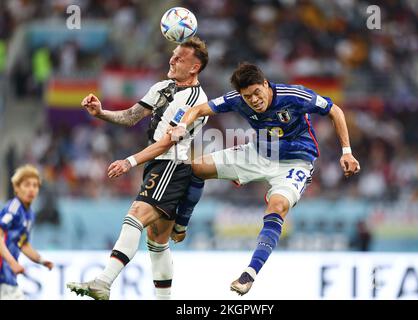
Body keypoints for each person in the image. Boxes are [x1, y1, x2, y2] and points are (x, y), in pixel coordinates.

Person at [108, 62, 361, 296]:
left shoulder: (294, 95)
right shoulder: (238, 99)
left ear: (265, 84)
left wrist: (346, 152)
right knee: (196, 167)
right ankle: (181, 225)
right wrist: (181, 125)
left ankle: (249, 274)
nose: (253, 100)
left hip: (295, 162)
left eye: (256, 93)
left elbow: (334, 110)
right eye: (247, 97)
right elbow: (198, 109)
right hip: (260, 151)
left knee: (277, 207)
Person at [66, 36, 209, 300]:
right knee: (157, 242)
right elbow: (132, 115)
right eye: (173, 54)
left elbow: (167, 143)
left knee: (135, 214)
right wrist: (101, 113)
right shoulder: (163, 87)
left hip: (172, 165)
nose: (172, 59)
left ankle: (103, 281)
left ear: (194, 68)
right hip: (159, 164)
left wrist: (128, 161)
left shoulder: (194, 100)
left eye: (180, 58)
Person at [0, 164, 54, 300]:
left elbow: (23, 244)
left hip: (8, 274)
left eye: (35, 185)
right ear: (17, 188)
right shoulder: (13, 208)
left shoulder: (29, 214)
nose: (32, 189)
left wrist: (41, 260)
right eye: (27, 185)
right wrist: (13, 263)